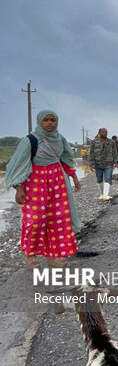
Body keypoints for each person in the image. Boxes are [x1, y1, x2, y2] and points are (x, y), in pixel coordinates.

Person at [5, 110, 82, 269]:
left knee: (58, 219)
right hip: (35, 183)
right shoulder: (30, 141)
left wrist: (74, 177)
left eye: (53, 120)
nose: (49, 123)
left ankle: (54, 255)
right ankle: (31, 254)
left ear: (57, 122)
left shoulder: (60, 139)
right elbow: (17, 165)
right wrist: (19, 188)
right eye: (45, 120)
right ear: (39, 122)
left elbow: (66, 159)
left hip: (57, 182)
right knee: (35, 220)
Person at [88, 127, 118, 201]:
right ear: (99, 133)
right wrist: (91, 164)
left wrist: (116, 162)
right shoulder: (94, 142)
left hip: (109, 163)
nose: (105, 133)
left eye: (106, 132)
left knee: (108, 178)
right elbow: (91, 153)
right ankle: (101, 194)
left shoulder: (111, 142)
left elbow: (114, 152)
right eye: (103, 132)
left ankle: (106, 195)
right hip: (98, 163)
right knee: (99, 179)